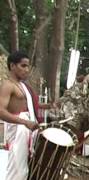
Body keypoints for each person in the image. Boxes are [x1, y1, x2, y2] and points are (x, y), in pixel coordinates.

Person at [0, 51, 39, 180]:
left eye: (28, 66)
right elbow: (0, 111)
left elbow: (27, 106)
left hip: (26, 130)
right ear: (12, 66)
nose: (27, 70)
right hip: (18, 130)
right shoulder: (8, 86)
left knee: (23, 171)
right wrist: (24, 122)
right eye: (23, 66)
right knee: (17, 171)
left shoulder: (22, 86)